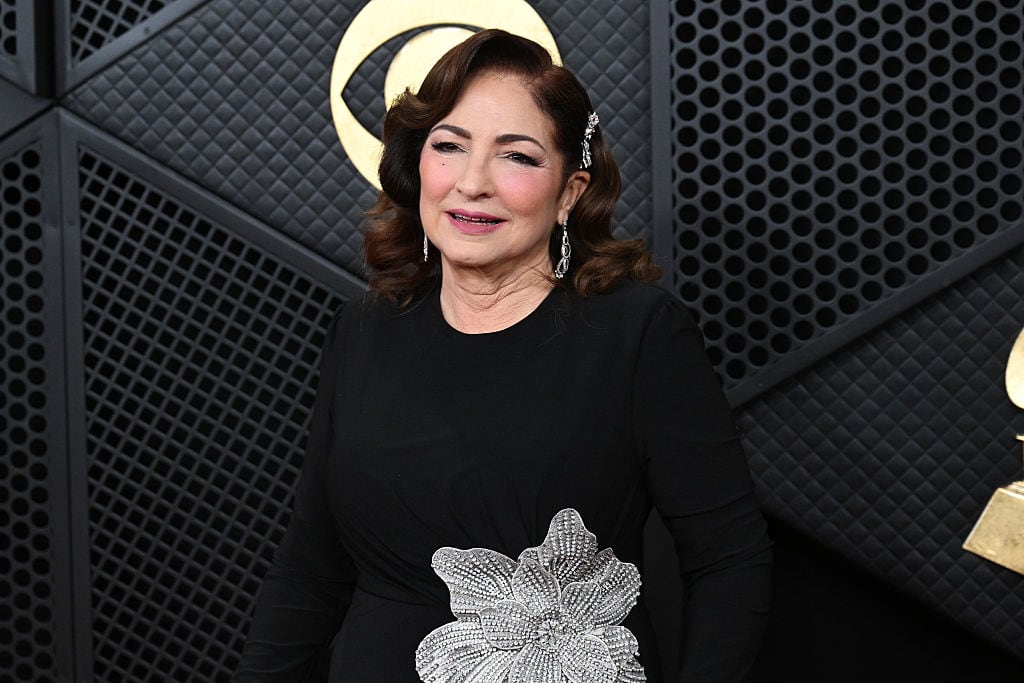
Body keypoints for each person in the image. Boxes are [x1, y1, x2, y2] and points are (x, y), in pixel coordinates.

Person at [236, 28, 771, 682]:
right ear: (418, 167)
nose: (473, 182)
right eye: (449, 146)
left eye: (515, 156)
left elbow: (730, 561)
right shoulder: (364, 329)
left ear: (570, 192)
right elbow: (309, 568)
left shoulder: (639, 333)